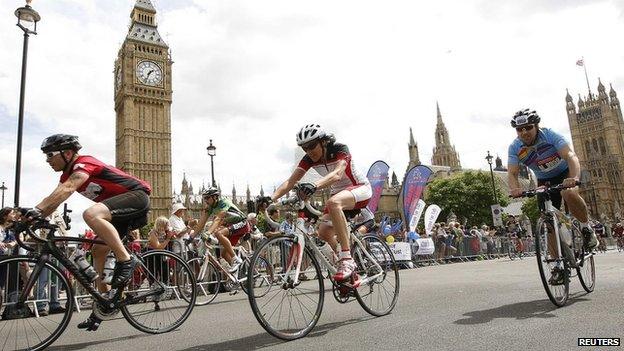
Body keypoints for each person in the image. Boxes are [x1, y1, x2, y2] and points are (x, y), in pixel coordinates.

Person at [30, 134, 151, 331]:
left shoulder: (84, 163)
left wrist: (36, 209)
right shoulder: (66, 175)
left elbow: (68, 188)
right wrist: (31, 218)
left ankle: (125, 259)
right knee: (97, 252)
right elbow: (55, 199)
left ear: (68, 153)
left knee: (91, 214)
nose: (47, 160)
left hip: (137, 197)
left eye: (50, 155)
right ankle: (106, 304)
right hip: (117, 214)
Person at [271, 124, 372, 281]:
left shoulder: (339, 149)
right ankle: (344, 263)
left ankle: (347, 259)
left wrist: (315, 185)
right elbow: (291, 181)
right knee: (323, 232)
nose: (309, 151)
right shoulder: (308, 159)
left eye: (312, 146)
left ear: (323, 142)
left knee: (333, 202)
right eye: (305, 148)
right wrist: (271, 198)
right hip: (337, 193)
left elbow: (338, 174)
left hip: (359, 188)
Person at [507, 109, 598, 283]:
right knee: (547, 222)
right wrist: (515, 189)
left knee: (569, 193)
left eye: (528, 127)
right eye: (520, 129)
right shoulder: (515, 147)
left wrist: (575, 178)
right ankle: (558, 266)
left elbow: (570, 155)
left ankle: (586, 228)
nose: (524, 132)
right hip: (544, 180)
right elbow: (512, 173)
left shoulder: (550, 136)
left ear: (536, 126)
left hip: (565, 174)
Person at [195, 187, 250, 272]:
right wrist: (192, 236)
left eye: (207, 198)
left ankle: (236, 259)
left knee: (218, 233)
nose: (205, 200)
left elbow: (218, 219)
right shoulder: (209, 207)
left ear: (215, 197)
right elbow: (201, 223)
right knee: (224, 254)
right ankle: (236, 273)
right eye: (204, 198)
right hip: (231, 226)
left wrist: (208, 233)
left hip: (242, 223)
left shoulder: (224, 203)